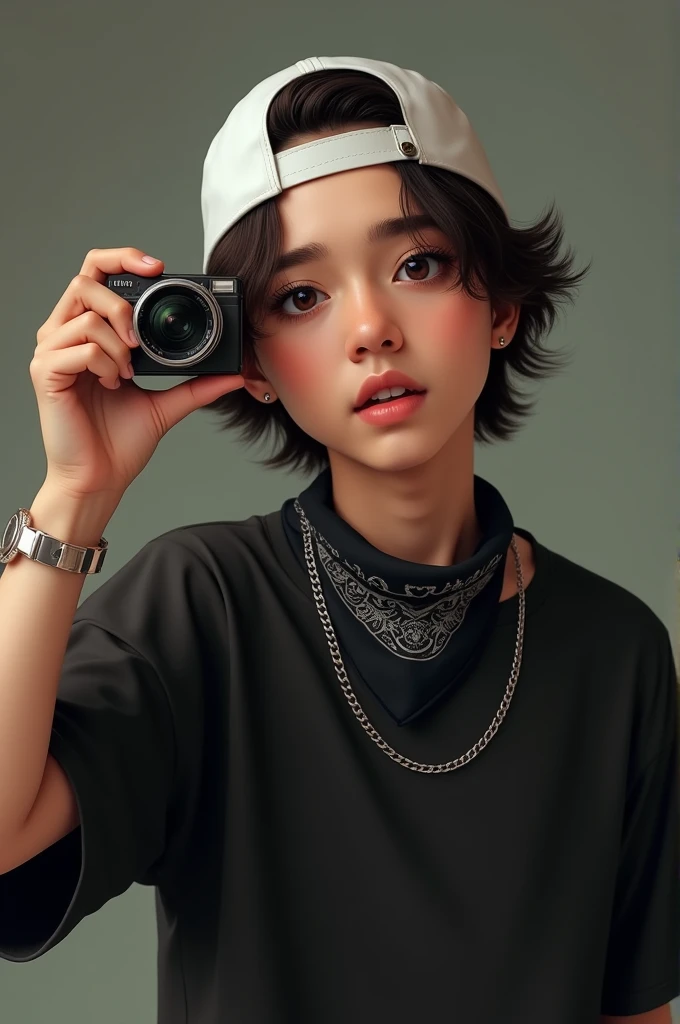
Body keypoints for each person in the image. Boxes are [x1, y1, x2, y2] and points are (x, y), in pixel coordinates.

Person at [0, 55, 676, 1024]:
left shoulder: (612, 649)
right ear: (254, 361)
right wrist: (73, 493)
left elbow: (634, 1012)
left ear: (500, 303)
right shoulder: (206, 603)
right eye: (298, 297)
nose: (369, 328)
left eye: (416, 264)